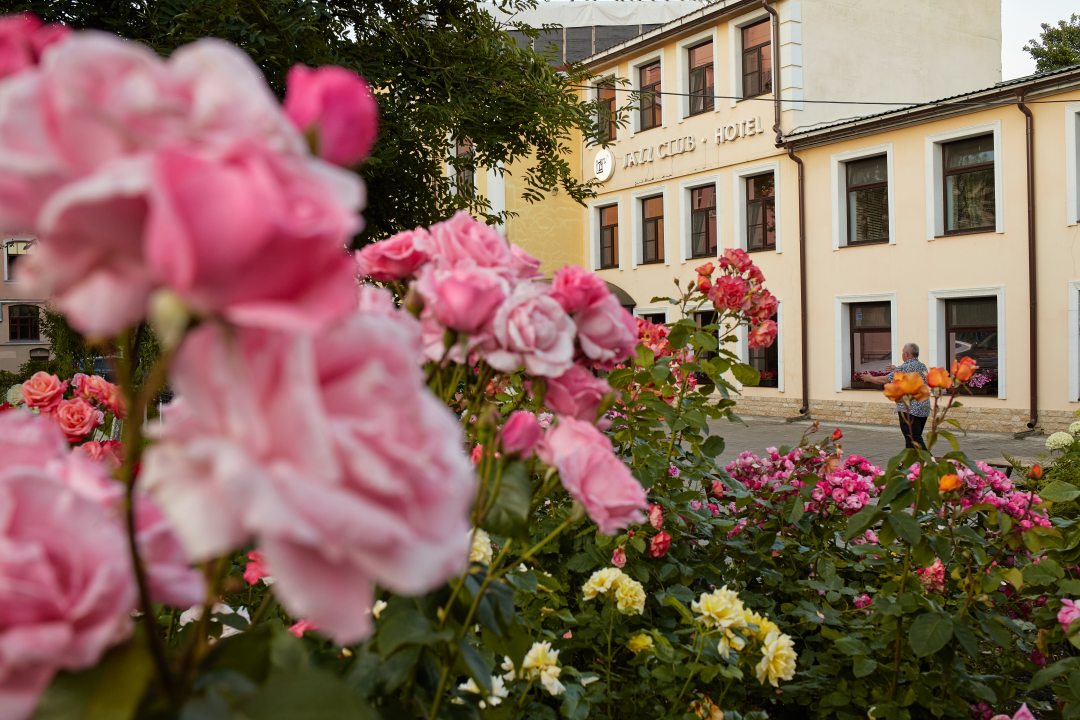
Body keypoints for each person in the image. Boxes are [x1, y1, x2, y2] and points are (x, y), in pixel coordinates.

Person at [859, 342, 929, 450]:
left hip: (909, 409)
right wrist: (895, 369)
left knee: (914, 439)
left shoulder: (904, 367)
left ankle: (931, 463)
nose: (902, 355)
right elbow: (909, 376)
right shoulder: (922, 366)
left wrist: (870, 378)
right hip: (923, 408)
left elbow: (884, 379)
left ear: (906, 354)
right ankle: (904, 465)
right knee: (912, 440)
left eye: (902, 353)